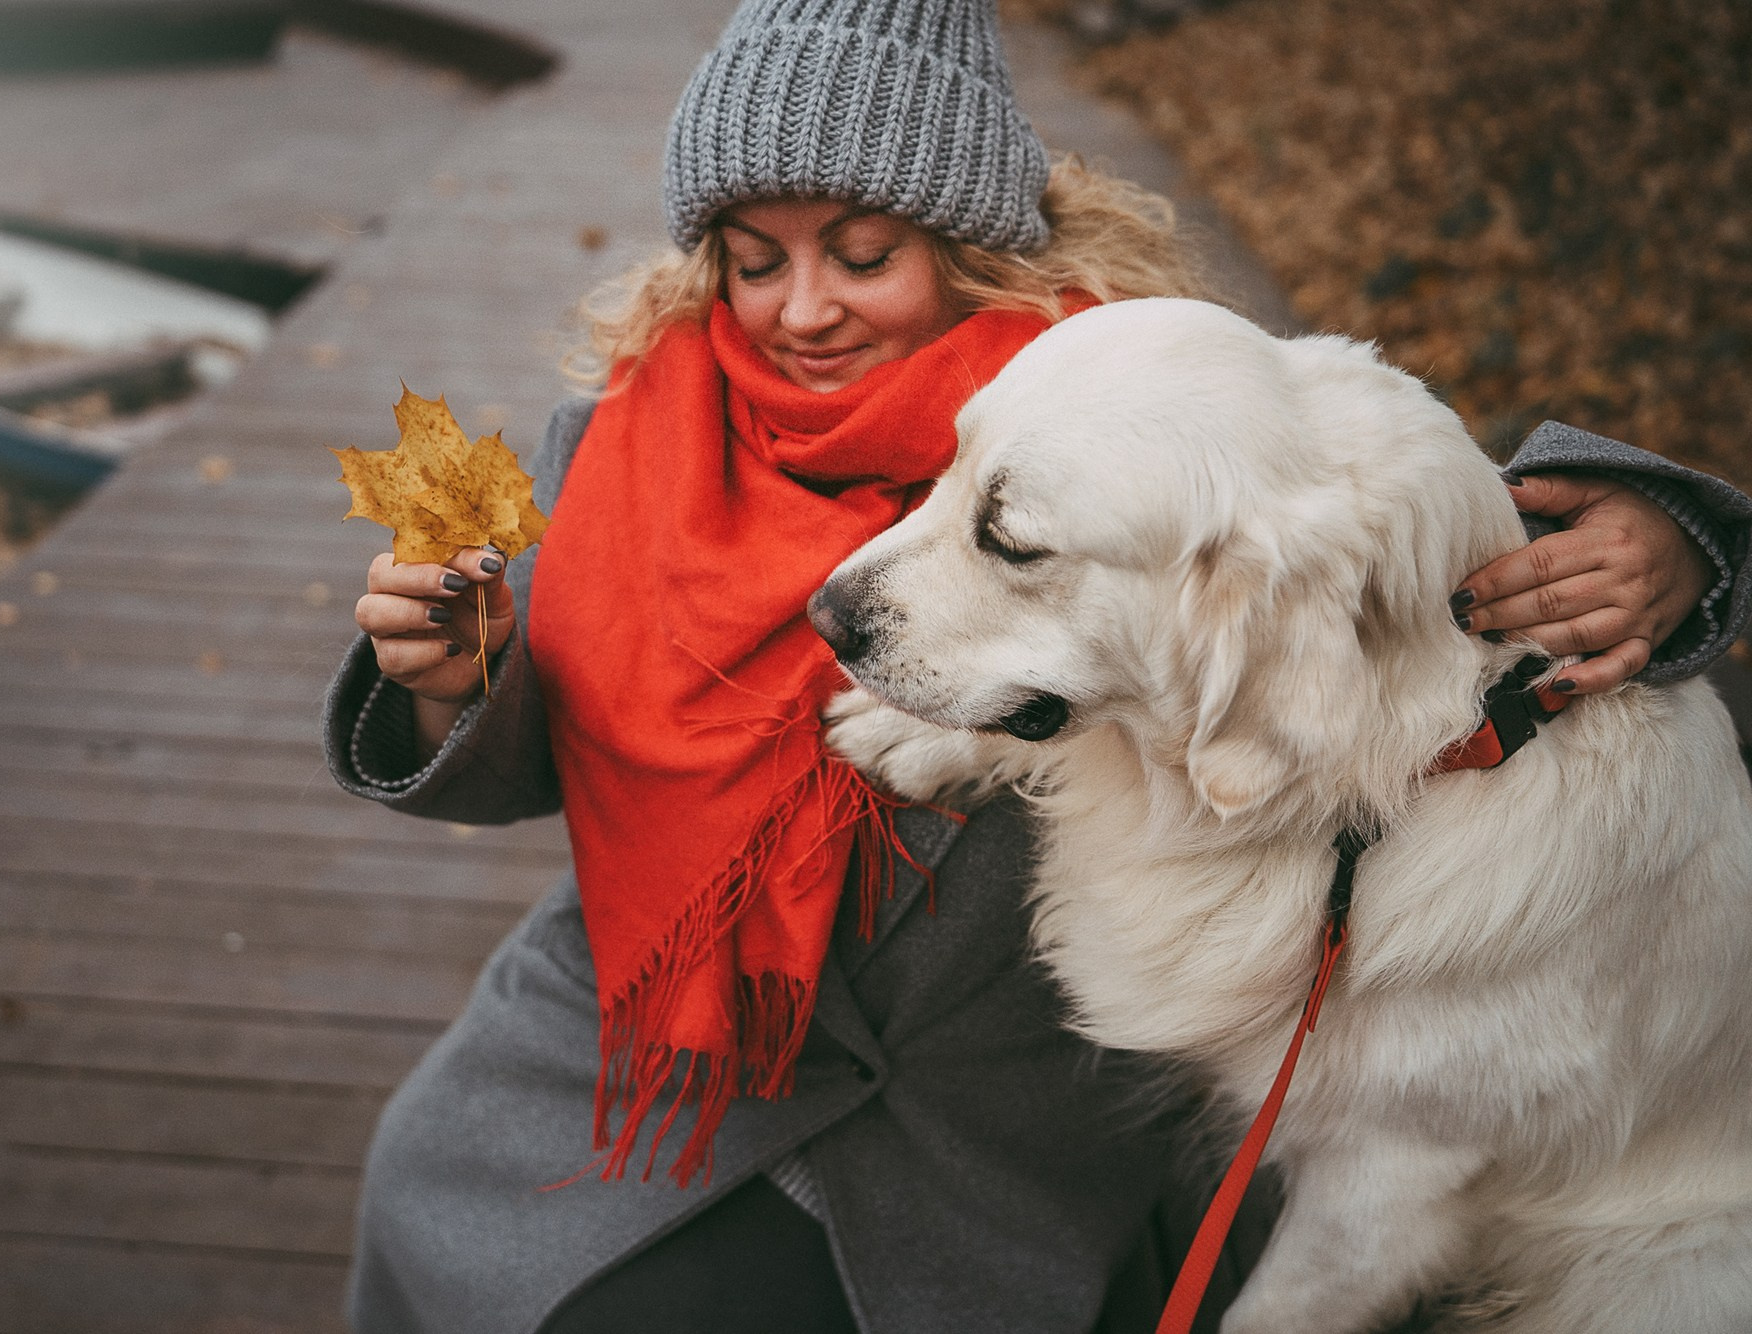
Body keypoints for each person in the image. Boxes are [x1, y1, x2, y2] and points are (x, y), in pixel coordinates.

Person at [325, 2, 1752, 1330]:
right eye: (754, 261)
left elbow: (1374, 506)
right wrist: (457, 683)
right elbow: (535, 761)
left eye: (861, 255)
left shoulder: (1126, 400)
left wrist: (1663, 532)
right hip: (653, 1053)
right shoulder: (622, 442)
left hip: (998, 1124)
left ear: (971, 241)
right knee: (463, 1242)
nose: (800, 310)